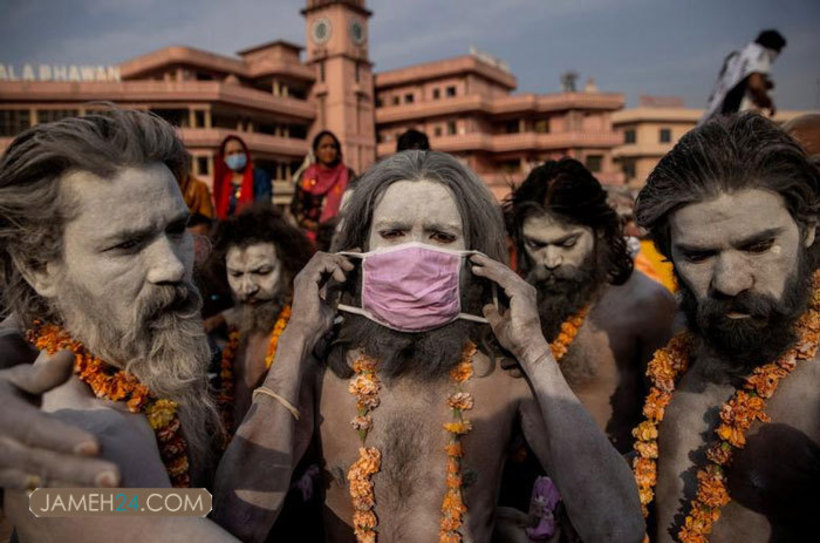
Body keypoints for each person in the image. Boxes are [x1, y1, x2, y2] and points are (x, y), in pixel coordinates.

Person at [213, 150, 643, 542]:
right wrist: (296, 340)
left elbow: (617, 529)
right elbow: (237, 520)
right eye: (394, 233)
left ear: (477, 257)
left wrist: (534, 352)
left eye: (440, 236)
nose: (414, 253)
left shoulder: (503, 377)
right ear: (358, 249)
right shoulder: (323, 370)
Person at [0, 108, 237, 540]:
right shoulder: (84, 445)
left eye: (177, 229)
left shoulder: (143, 365)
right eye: (127, 245)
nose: (171, 267)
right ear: (40, 268)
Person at [632, 113, 820, 542]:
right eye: (698, 255)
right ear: (669, 254)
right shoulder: (680, 356)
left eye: (758, 246)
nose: (730, 281)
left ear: (808, 229)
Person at [505, 158, 678, 452]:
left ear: (600, 231)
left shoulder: (647, 305)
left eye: (567, 244)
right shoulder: (516, 301)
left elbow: (668, 425)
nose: (550, 261)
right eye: (536, 245)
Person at [207, 202, 312, 435]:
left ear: (288, 268)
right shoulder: (235, 334)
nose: (247, 287)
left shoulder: (308, 332)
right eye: (236, 274)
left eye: (262, 272)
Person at [701, 29, 786, 124]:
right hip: (735, 116)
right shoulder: (761, 54)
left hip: (718, 113)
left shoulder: (741, 54)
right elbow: (755, 85)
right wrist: (767, 103)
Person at [290, 130, 354, 241]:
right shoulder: (306, 176)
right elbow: (297, 209)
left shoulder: (348, 175)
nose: (329, 150)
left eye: (332, 147)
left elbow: (356, 204)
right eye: (324, 147)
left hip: (343, 235)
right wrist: (318, 228)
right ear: (316, 151)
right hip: (312, 238)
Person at [213, 135, 272, 220]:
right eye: (230, 153)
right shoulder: (223, 182)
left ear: (246, 153)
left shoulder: (259, 177)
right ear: (224, 158)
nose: (236, 156)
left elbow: (263, 207)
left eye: (239, 151)